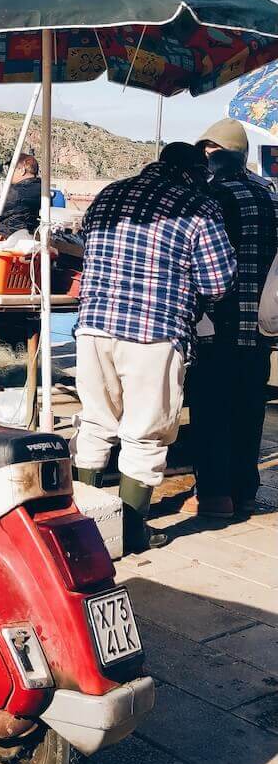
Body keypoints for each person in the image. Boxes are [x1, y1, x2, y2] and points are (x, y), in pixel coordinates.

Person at [72, 142, 236, 552]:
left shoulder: (110, 193)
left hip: (93, 326)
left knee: (94, 423)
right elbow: (218, 282)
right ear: (193, 171)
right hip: (154, 333)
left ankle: (76, 530)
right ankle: (129, 533)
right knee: (144, 434)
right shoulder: (197, 207)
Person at [185, 133, 278, 518]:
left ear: (212, 168)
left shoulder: (211, 200)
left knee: (211, 412)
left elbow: (208, 271)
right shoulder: (272, 198)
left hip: (218, 326)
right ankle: (246, 492)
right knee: (249, 411)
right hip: (260, 328)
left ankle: (215, 496)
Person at [0, 154, 41, 238]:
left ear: (22, 170)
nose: (9, 174)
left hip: (9, 239)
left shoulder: (18, 192)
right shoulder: (40, 189)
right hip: (29, 236)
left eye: (11, 170)